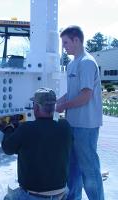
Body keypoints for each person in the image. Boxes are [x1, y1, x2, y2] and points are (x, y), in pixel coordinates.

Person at [56, 26, 104, 200]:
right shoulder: (72, 64)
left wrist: (63, 106)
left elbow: (85, 96)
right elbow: (72, 93)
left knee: (89, 171)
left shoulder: (87, 63)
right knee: (73, 169)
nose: (64, 47)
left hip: (86, 126)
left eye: (66, 42)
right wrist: (54, 102)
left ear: (77, 40)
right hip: (73, 125)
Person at [2, 87, 72, 200]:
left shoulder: (26, 129)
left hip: (34, 195)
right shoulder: (65, 126)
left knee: (8, 197)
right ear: (54, 107)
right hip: (61, 193)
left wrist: (9, 127)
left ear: (36, 107)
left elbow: (7, 148)